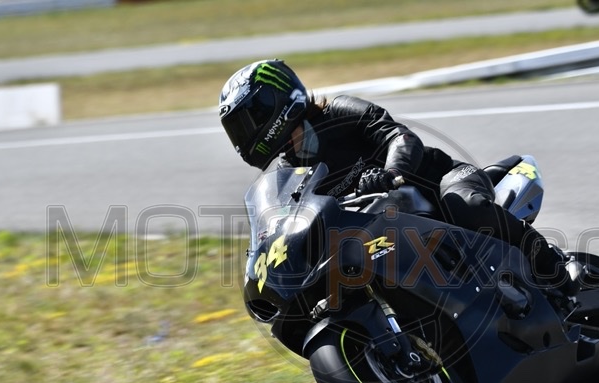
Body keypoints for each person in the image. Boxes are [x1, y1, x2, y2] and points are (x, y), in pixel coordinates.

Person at [218, 59, 579, 295]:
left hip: (440, 184)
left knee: (466, 206)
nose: (242, 135)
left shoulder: (338, 112)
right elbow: (294, 219)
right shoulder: (289, 172)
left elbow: (400, 136)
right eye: (236, 129)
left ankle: (551, 264)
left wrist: (391, 173)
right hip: (391, 230)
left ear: (275, 102)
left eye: (247, 121)